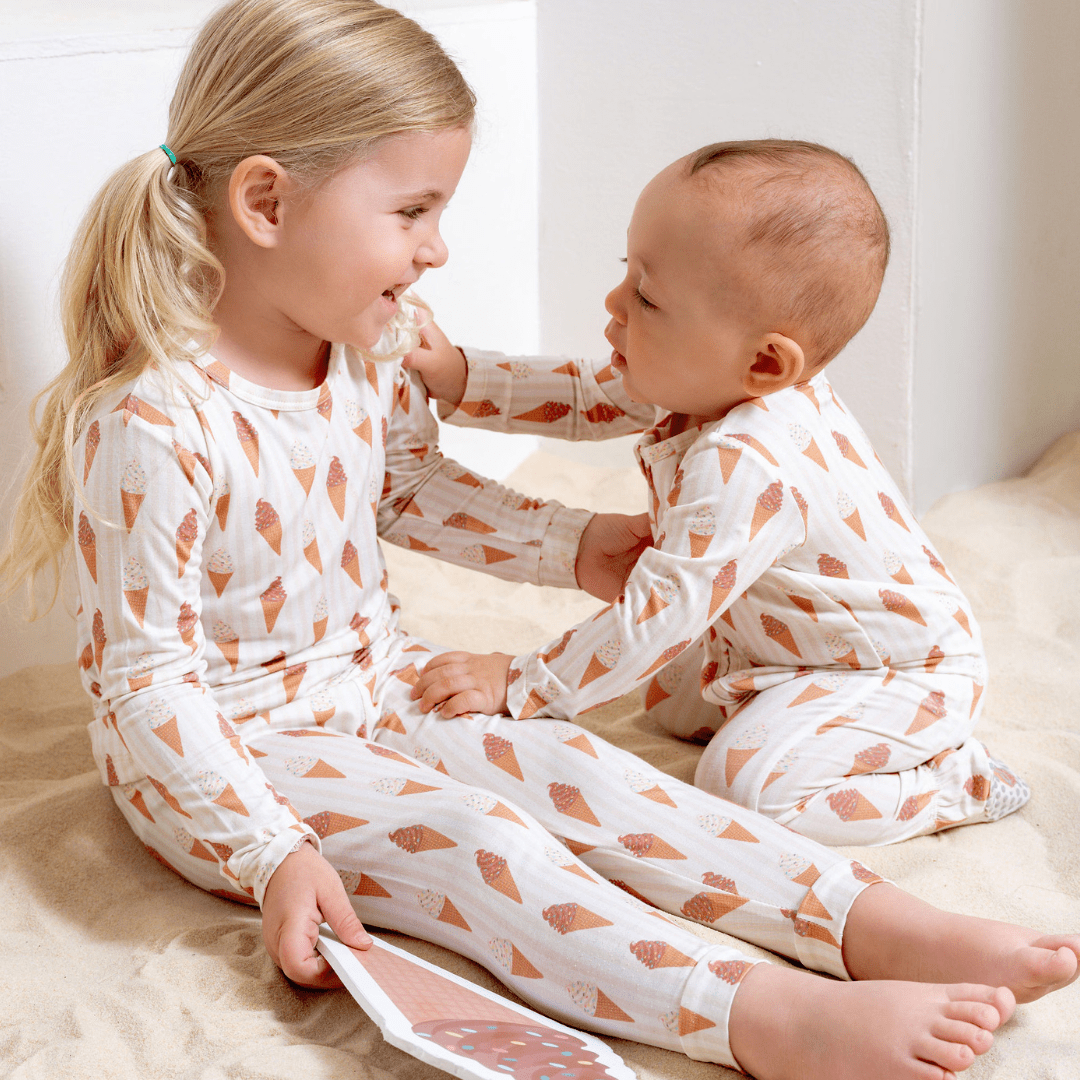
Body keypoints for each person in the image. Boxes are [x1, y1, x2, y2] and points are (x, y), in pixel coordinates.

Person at [1, 5, 1076, 1079]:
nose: (437, 248)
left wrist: (577, 542)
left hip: (377, 680)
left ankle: (862, 921)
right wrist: (270, 849)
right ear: (267, 203)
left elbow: (407, 488)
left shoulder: (364, 350)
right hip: (232, 757)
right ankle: (761, 1014)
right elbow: (143, 689)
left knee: (579, 766)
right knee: (478, 838)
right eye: (413, 212)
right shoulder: (150, 423)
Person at [409, 139, 1029, 847]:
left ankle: (958, 781)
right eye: (626, 272)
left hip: (897, 672)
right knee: (669, 705)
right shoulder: (712, 378)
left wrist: (521, 680)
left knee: (747, 789)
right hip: (781, 646)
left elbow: (658, 613)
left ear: (765, 361)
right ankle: (776, 705)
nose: (614, 302)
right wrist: (462, 377)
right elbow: (586, 396)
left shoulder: (747, 462)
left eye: (646, 296)